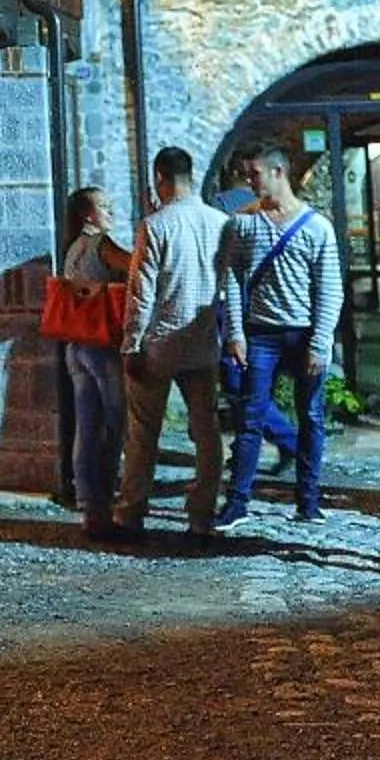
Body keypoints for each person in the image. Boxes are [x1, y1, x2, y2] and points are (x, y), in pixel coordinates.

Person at [213, 144, 344, 527]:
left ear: (278, 173)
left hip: (303, 333)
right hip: (260, 334)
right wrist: (235, 333)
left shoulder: (316, 227)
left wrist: (320, 343)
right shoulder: (243, 224)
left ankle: (308, 501)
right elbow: (233, 281)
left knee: (311, 418)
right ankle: (237, 502)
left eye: (254, 174)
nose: (249, 181)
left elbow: (329, 288)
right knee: (250, 418)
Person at [118, 146, 230, 544]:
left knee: (143, 431)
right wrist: (233, 335)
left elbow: (141, 291)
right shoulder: (220, 223)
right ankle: (201, 516)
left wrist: (130, 343)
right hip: (201, 344)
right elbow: (229, 287)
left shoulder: (155, 225)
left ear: (160, 179)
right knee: (206, 431)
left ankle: (131, 513)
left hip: (160, 343)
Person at [210, 150, 301, 475]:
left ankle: (289, 441)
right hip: (257, 312)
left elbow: (227, 266)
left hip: (240, 311)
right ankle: (254, 449)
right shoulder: (263, 210)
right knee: (246, 386)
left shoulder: (229, 208)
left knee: (241, 386)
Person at [56, 186, 134, 540]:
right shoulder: (100, 243)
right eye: (104, 206)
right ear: (88, 215)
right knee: (117, 423)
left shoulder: (73, 249)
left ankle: (89, 505)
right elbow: (136, 264)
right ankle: (110, 502)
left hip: (76, 344)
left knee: (87, 427)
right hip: (102, 345)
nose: (111, 211)